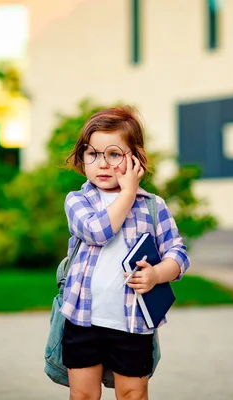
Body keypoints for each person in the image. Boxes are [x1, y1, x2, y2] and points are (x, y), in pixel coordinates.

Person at [61, 106, 190, 400]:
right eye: (92, 153)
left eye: (114, 154)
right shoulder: (78, 202)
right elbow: (98, 232)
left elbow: (178, 253)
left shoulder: (153, 206)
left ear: (136, 157)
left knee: (133, 393)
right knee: (83, 395)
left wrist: (158, 274)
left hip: (132, 321)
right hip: (82, 318)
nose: (102, 164)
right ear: (82, 157)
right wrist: (127, 194)